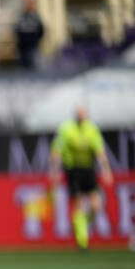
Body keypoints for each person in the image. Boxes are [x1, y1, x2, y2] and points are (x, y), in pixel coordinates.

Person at [49, 106, 114, 250]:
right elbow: (56, 151)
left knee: (96, 206)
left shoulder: (91, 129)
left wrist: (107, 170)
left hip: (89, 170)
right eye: (79, 114)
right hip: (73, 170)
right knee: (78, 203)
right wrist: (54, 171)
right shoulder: (66, 129)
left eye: (83, 114)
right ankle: (82, 240)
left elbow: (100, 152)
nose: (81, 117)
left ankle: (81, 222)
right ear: (75, 115)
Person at [15, 0, 44, 70]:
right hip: (23, 40)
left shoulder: (35, 16)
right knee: (24, 59)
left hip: (32, 39)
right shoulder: (22, 16)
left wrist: (38, 37)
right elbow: (17, 28)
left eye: (29, 4)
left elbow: (40, 28)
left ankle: (32, 69)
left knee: (32, 58)